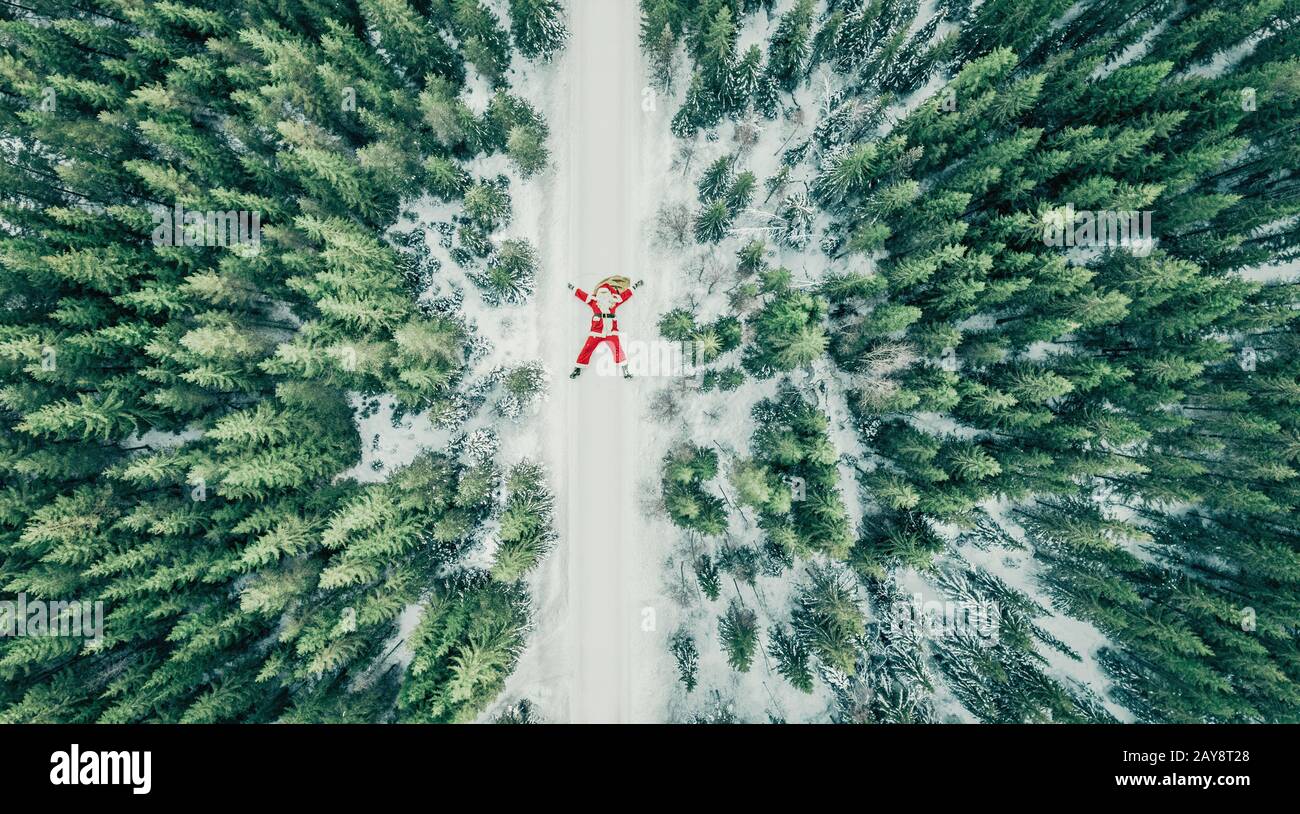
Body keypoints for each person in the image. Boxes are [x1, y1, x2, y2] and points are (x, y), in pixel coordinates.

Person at [567, 276, 644, 379]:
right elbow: (582, 295)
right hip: (596, 330)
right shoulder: (594, 301)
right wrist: (573, 288)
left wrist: (635, 285)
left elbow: (626, 295)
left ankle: (626, 371)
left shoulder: (614, 301)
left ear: (609, 294)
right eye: (601, 293)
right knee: (587, 348)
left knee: (618, 349)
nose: (603, 296)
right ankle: (577, 369)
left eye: (605, 293)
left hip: (611, 331)